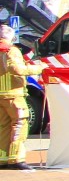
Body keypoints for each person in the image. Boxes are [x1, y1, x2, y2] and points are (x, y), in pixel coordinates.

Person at [0, 24, 43, 171]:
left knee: (3, 127)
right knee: (20, 125)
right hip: (14, 94)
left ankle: (2, 159)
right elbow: (17, 69)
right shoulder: (11, 50)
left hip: (1, 96)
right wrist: (39, 68)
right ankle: (16, 159)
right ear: (9, 36)